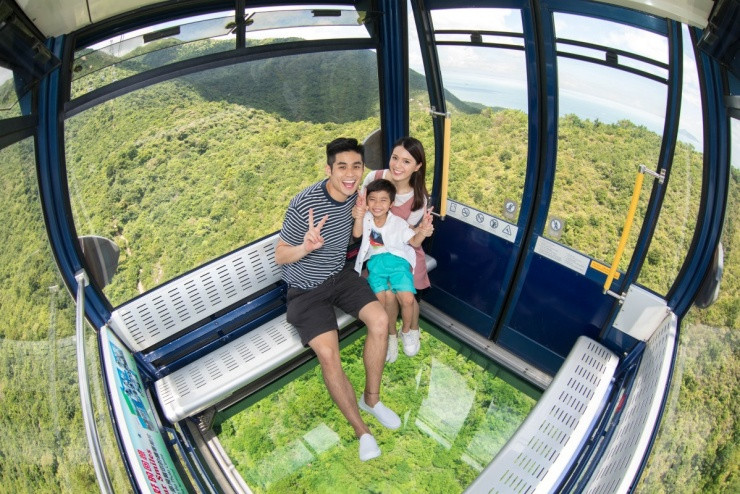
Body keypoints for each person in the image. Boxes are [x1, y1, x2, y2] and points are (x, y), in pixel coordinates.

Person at [275, 137, 400, 462]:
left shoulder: (356, 196)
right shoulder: (304, 204)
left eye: (356, 166)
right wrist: (305, 247)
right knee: (329, 355)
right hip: (306, 290)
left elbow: (359, 232)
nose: (350, 174)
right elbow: (280, 255)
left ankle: (371, 399)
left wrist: (360, 215)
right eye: (342, 167)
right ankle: (362, 432)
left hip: (340, 276)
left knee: (380, 320)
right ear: (328, 169)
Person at [360, 137, 431, 362]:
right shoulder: (374, 178)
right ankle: (391, 336)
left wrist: (422, 231)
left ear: (417, 167)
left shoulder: (418, 199)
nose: (398, 166)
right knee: (389, 295)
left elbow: (408, 236)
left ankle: (411, 329)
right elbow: (361, 210)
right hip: (378, 252)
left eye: (406, 162)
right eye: (395, 158)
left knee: (407, 294)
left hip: (404, 249)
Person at [352, 179, 433, 346]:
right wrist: (359, 216)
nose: (377, 205)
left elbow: (414, 241)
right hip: (376, 263)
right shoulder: (366, 218)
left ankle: (406, 331)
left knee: (408, 299)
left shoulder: (398, 223)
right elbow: (357, 234)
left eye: (383, 200)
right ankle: (389, 336)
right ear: (367, 202)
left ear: (391, 204)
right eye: (372, 199)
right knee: (379, 301)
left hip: (398, 262)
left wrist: (423, 231)